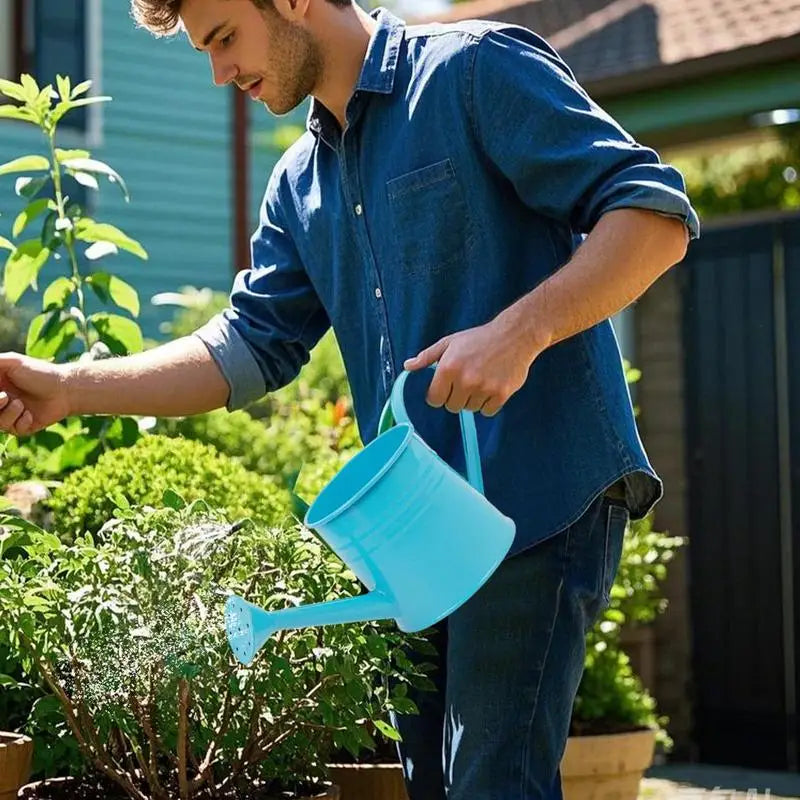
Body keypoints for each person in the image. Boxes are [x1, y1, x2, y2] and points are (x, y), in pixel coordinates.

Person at [0, 0, 699, 796]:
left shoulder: (474, 72)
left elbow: (653, 214)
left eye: (224, 38)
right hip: (414, 523)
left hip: (538, 489)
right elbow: (245, 348)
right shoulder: (300, 183)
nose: (219, 72)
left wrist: (519, 333)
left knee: (490, 780)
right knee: (427, 781)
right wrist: (69, 387)